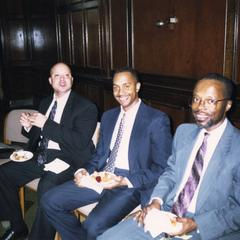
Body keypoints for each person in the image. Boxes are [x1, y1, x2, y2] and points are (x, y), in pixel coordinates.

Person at [98, 73, 240, 240]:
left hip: (207, 225)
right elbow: (170, 173)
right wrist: (156, 201)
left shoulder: (236, 146)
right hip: (166, 213)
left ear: (228, 105)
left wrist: (194, 223)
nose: (199, 107)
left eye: (210, 101)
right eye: (196, 99)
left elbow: (237, 210)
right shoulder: (184, 132)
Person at [41, 67, 172, 240]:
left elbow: (162, 167)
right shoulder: (109, 116)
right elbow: (99, 154)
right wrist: (84, 171)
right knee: (49, 200)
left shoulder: (156, 120)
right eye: (116, 87)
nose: (120, 92)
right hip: (101, 176)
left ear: (137, 87)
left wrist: (124, 180)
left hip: (129, 183)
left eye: (126, 86)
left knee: (92, 227)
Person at [0, 62, 98, 240]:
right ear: (50, 80)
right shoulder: (45, 102)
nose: (62, 79)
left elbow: (79, 141)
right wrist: (28, 127)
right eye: (57, 76)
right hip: (41, 156)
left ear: (72, 80)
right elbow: (38, 133)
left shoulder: (86, 107)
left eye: (66, 75)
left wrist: (46, 123)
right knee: (4, 173)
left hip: (68, 159)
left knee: (47, 187)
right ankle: (17, 227)